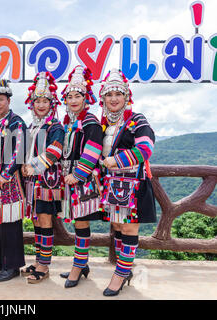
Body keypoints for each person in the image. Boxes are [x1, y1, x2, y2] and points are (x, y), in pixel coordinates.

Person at [98, 69, 156, 296]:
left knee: (130, 227)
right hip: (112, 186)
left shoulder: (137, 120)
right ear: (103, 99)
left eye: (118, 94)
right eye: (109, 95)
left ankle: (121, 273)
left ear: (126, 97)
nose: (113, 99)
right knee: (118, 227)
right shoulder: (105, 125)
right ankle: (125, 268)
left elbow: (146, 148)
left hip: (133, 185)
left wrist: (116, 160)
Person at [58, 66, 104, 288]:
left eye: (78, 96)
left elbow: (94, 148)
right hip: (70, 178)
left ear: (86, 99)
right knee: (78, 223)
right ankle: (81, 262)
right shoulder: (70, 122)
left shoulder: (89, 121)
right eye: (70, 96)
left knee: (82, 222)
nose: (74, 100)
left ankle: (79, 265)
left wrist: (77, 173)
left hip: (81, 180)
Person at [20, 71, 64, 284]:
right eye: (37, 100)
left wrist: (32, 166)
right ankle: (39, 260)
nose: (41, 104)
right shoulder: (32, 126)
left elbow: (55, 150)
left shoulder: (55, 126)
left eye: (45, 100)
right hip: (32, 181)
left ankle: (44, 265)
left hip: (47, 181)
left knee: (45, 221)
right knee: (37, 220)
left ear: (51, 103)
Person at [0, 79, 27, 282]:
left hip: (9, 180)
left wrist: (6, 173)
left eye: (0, 99)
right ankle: (0, 260)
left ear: (8, 100)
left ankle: (13, 265)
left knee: (10, 224)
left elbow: (20, 152)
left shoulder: (16, 122)